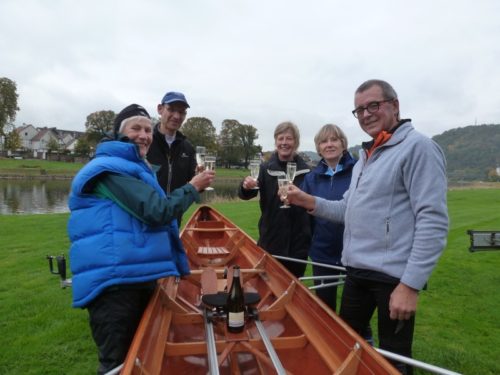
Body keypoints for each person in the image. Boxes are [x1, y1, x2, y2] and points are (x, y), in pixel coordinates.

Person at [285, 80, 448, 374]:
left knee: (393, 361)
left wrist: (410, 285)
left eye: (373, 105)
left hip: (393, 279)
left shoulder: (419, 148)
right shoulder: (366, 157)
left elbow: (432, 220)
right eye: (359, 110)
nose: (366, 114)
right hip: (356, 271)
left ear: (394, 106)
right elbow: (347, 209)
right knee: (347, 348)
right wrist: (307, 200)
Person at [67, 104, 214, 374]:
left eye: (147, 129)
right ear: (119, 134)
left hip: (131, 277)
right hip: (115, 285)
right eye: (136, 128)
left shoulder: (131, 167)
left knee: (139, 359)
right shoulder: (109, 170)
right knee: (119, 365)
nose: (144, 135)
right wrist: (192, 187)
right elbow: (157, 211)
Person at [238, 121, 311, 278]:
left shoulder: (307, 171)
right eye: (280, 138)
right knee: (266, 288)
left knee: (293, 291)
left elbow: (313, 205)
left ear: (296, 142)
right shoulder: (265, 169)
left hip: (298, 246)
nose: (284, 143)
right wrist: (246, 186)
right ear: (276, 141)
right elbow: (246, 194)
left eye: (289, 139)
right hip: (270, 242)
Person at [301, 124, 356, 312]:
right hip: (322, 253)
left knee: (355, 313)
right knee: (325, 309)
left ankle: (362, 340)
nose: (329, 144)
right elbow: (305, 216)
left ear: (343, 144)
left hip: (354, 252)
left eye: (334, 139)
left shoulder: (359, 171)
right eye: (324, 141)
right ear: (318, 148)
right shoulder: (311, 178)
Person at [147, 91, 197, 225]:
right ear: (160, 109)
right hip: (145, 220)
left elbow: (192, 184)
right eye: (171, 110)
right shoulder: (145, 142)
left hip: (174, 220)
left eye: (181, 112)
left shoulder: (188, 148)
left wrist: (200, 178)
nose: (176, 116)